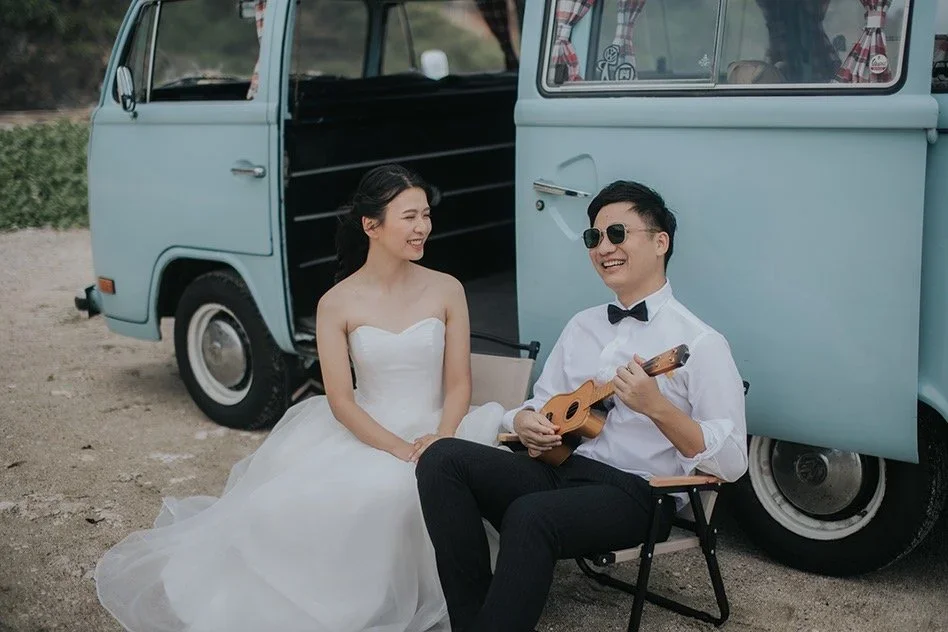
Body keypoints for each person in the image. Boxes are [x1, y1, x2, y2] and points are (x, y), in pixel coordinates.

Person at [94, 164, 506, 632]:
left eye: (426, 215)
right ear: (371, 225)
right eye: (409, 217)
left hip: (442, 424)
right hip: (370, 430)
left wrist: (442, 441)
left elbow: (458, 384)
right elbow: (342, 402)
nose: (422, 228)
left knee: (410, 492)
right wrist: (400, 449)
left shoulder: (447, 288)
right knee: (315, 504)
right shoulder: (336, 303)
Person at [415, 180, 748, 632]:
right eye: (593, 238)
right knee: (441, 458)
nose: (602, 247)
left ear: (660, 242)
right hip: (563, 468)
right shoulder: (581, 326)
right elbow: (541, 402)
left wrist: (658, 408)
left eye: (617, 234)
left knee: (530, 515)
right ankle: (473, 620)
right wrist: (526, 420)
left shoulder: (702, 344)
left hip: (637, 493)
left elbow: (731, 462)